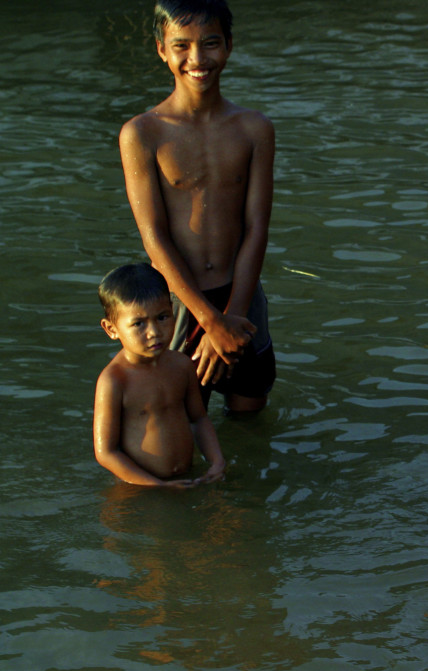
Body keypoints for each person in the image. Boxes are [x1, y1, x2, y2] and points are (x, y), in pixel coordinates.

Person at [120, 0, 275, 414]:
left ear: (228, 45)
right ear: (161, 49)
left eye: (209, 44)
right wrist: (209, 321)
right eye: (181, 46)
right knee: (176, 421)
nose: (197, 59)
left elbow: (257, 227)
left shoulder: (254, 129)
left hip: (241, 296)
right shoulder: (142, 133)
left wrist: (233, 316)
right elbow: (153, 236)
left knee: (249, 415)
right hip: (175, 302)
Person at [93, 263, 226, 487]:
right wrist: (156, 485)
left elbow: (199, 419)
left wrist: (216, 461)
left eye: (162, 317)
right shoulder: (114, 381)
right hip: (139, 487)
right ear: (111, 329)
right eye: (138, 324)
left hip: (188, 477)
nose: (154, 332)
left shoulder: (182, 366)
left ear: (173, 311)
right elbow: (106, 452)